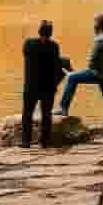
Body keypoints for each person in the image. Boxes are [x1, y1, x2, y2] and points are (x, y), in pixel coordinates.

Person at [54, 12, 103, 136]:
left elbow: (92, 62)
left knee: (72, 78)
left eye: (94, 24)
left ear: (98, 26)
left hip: (98, 73)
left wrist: (91, 68)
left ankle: (63, 108)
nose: (93, 27)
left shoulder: (100, 40)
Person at [21, 20, 62, 148]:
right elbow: (56, 64)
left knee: (27, 113)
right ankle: (44, 141)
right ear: (51, 33)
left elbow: (25, 54)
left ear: (39, 31)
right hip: (48, 87)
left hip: (31, 86)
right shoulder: (54, 46)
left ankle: (26, 141)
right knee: (46, 114)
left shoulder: (29, 44)